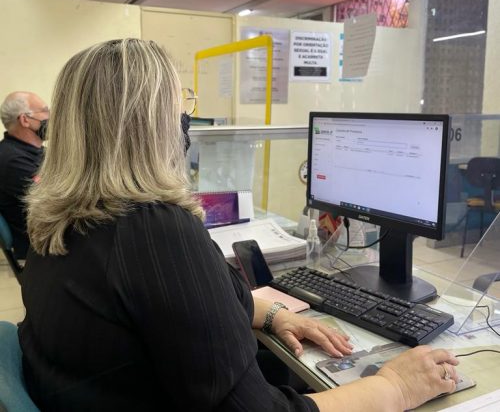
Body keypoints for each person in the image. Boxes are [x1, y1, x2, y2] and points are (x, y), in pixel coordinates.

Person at [20, 39, 459, 411]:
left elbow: (175, 310)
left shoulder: (62, 219)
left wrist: (271, 315)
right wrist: (395, 387)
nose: (185, 119)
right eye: (180, 105)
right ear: (153, 125)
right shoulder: (152, 231)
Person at [0, 91, 49, 259]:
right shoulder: (11, 160)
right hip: (41, 248)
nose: (51, 117)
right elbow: (56, 200)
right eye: (45, 111)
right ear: (25, 120)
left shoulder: (36, 152)